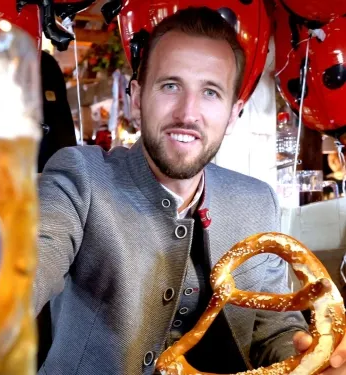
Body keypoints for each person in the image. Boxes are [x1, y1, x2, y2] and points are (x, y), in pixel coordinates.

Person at [34, 6, 346, 375]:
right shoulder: (81, 178)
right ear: (137, 98)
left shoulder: (255, 201)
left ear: (233, 114)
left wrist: (308, 357)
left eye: (211, 92)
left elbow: (271, 330)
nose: (188, 112)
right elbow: (28, 266)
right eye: (170, 85)